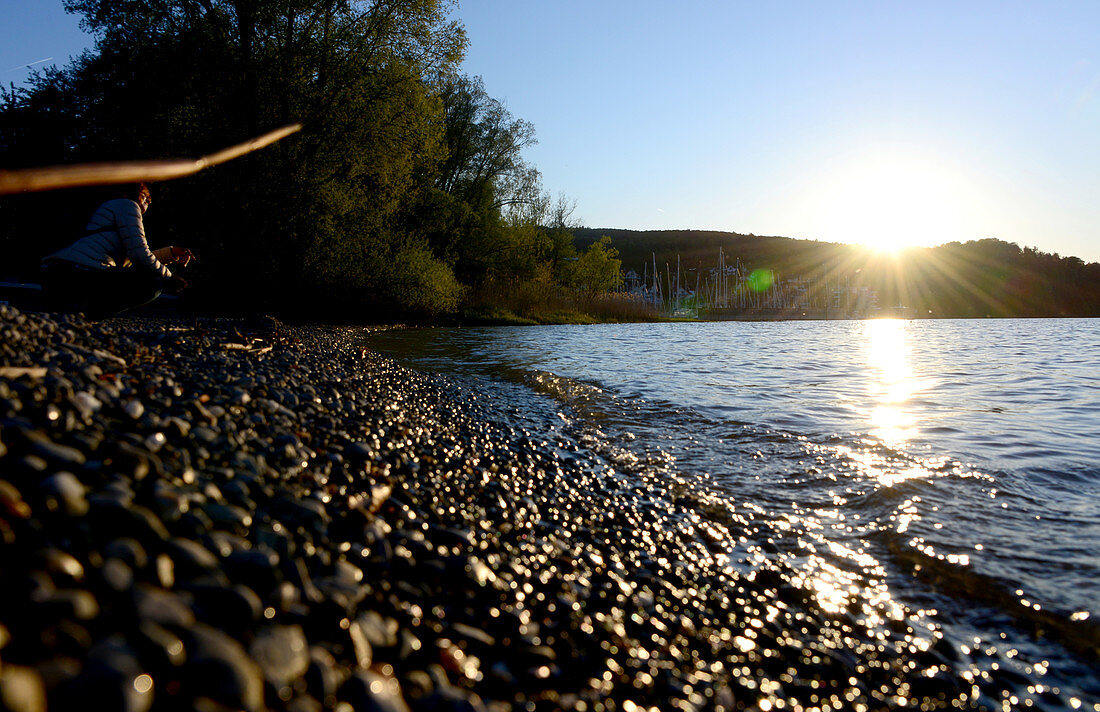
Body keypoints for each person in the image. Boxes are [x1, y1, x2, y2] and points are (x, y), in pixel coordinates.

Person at [40, 182, 195, 318]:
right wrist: (169, 277)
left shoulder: (114, 209)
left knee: (149, 277)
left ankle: (76, 312)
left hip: (60, 273)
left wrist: (171, 253)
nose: (148, 202)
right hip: (77, 274)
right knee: (153, 283)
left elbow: (135, 258)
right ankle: (86, 313)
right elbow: (139, 254)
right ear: (134, 193)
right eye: (146, 197)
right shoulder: (128, 205)